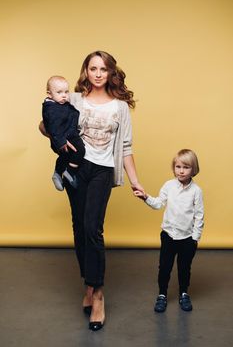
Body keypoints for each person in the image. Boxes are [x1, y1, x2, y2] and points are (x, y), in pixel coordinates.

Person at [39, 51, 145, 331]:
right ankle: (88, 282)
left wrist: (136, 181)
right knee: (78, 226)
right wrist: (55, 135)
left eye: (104, 69)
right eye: (93, 68)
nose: (98, 74)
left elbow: (125, 148)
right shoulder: (72, 98)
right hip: (77, 167)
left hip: (102, 170)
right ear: (85, 71)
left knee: (92, 227)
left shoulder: (120, 107)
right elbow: (47, 123)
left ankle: (97, 294)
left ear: (111, 73)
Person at [134, 149, 204, 313]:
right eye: (178, 166)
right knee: (164, 267)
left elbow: (199, 215)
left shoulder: (196, 191)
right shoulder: (169, 186)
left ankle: (184, 293)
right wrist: (145, 197)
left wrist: (195, 238)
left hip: (187, 238)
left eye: (186, 167)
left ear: (193, 169)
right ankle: (162, 294)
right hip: (168, 235)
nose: (181, 170)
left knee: (184, 267)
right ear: (174, 168)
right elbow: (159, 204)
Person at [42, 76, 85, 191]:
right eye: (59, 92)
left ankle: (57, 173)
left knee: (66, 156)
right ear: (49, 94)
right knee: (79, 150)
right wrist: (61, 141)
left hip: (68, 135)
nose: (64, 95)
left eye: (66, 92)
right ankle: (70, 172)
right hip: (65, 137)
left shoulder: (60, 104)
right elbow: (51, 127)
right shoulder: (52, 108)